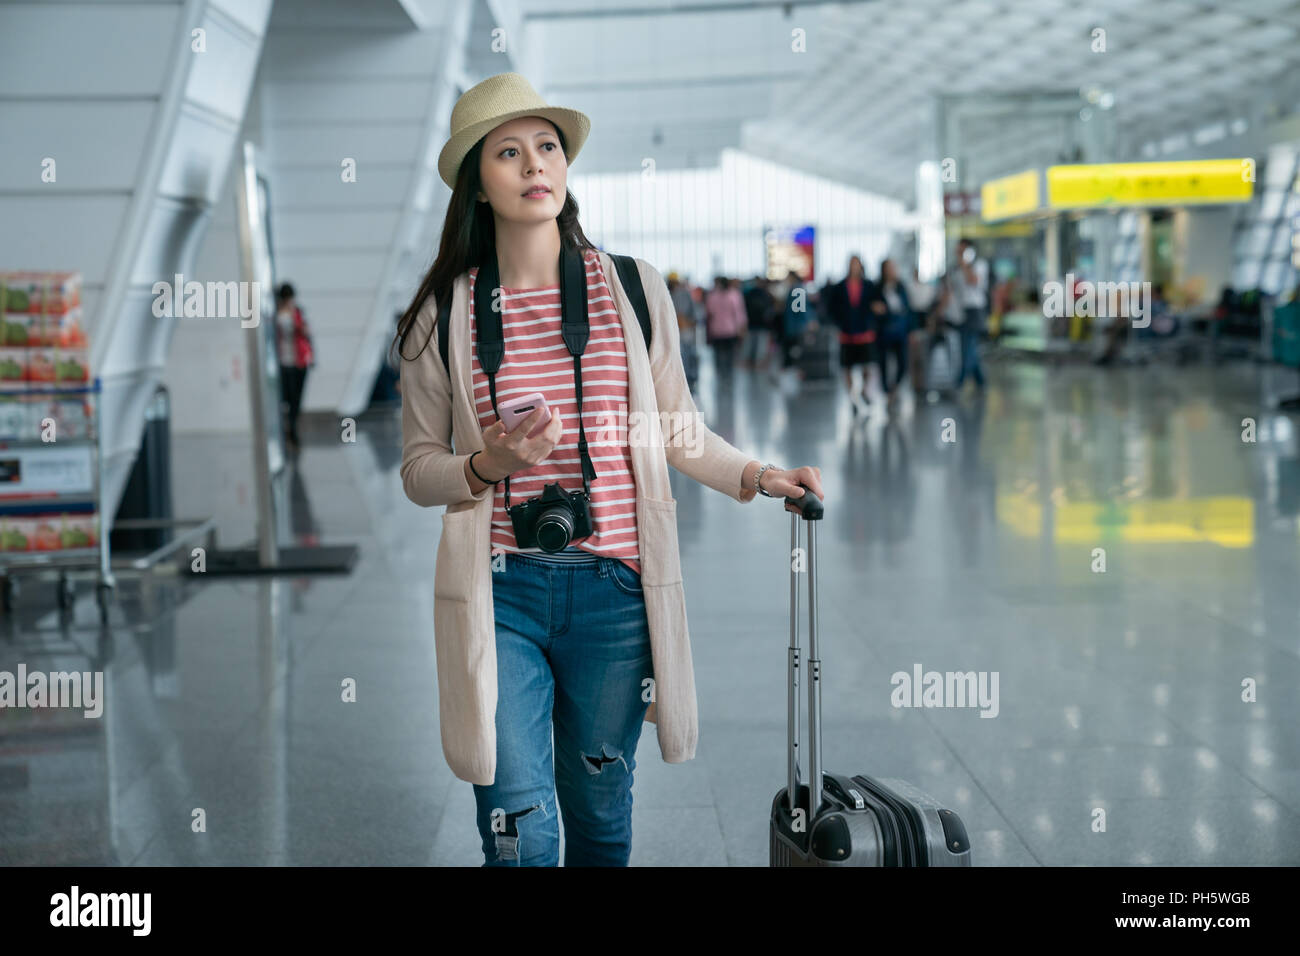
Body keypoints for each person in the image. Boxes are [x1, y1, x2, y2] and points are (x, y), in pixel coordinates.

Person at [392, 72, 825, 868]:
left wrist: (764, 476)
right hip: (499, 592)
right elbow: (419, 472)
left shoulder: (631, 287)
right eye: (508, 153)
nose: (534, 166)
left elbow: (679, 431)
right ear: (477, 185)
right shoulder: (442, 314)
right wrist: (490, 462)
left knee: (599, 818)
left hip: (615, 595)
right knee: (517, 830)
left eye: (547, 147)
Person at [825, 254, 881, 414]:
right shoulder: (840, 287)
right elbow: (831, 308)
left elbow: (877, 303)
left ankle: (863, 390)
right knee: (847, 367)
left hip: (864, 332)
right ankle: (852, 397)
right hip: (847, 332)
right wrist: (838, 323)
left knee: (867, 366)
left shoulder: (869, 286)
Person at [273, 282, 314, 449]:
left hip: (300, 360)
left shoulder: (297, 312)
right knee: (288, 398)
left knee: (297, 398)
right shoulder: (276, 314)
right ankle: (289, 430)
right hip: (285, 361)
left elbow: (307, 332)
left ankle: (293, 431)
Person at [872, 258, 913, 407]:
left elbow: (908, 309)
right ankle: (886, 391)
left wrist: (910, 330)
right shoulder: (877, 288)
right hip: (884, 331)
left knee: (903, 363)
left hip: (899, 330)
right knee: (882, 363)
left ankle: (894, 388)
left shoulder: (900, 287)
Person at [950, 238, 988, 390]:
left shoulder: (979, 265)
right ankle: (980, 381)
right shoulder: (955, 269)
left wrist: (965, 265)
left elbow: (974, 281)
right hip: (960, 312)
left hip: (975, 310)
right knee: (970, 348)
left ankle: (959, 381)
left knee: (968, 347)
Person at [704, 275, 747, 388]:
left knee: (718, 353)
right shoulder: (734, 295)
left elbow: (709, 313)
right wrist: (741, 328)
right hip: (730, 329)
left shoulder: (712, 296)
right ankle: (728, 374)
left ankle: (719, 373)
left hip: (716, 329)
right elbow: (738, 313)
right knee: (730, 354)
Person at [667, 272, 700, 394]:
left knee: (688, 355)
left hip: (685, 330)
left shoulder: (683, 294)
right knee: (683, 356)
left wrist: (690, 323)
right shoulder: (669, 294)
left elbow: (692, 313)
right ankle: (685, 380)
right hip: (676, 330)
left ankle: (690, 380)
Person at [741, 276, 776, 371]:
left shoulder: (749, 294)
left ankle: (750, 362)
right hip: (762, 324)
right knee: (760, 344)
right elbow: (771, 310)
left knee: (750, 343)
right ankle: (757, 362)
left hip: (751, 323)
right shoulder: (767, 295)